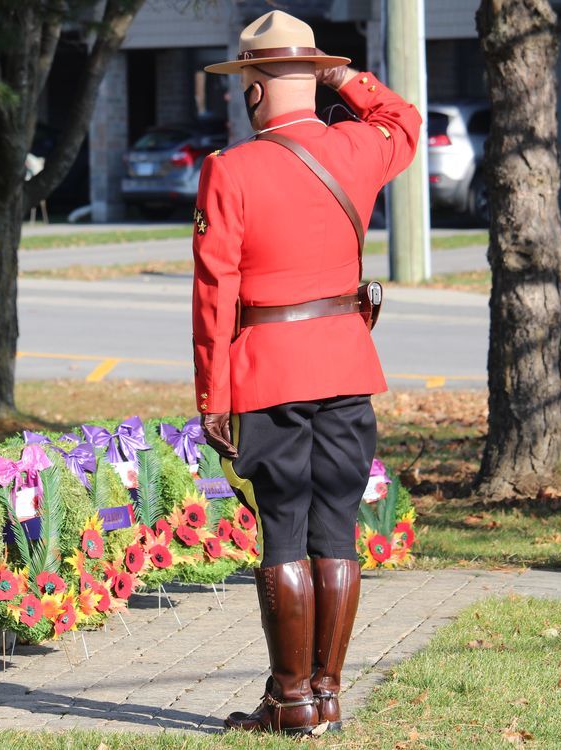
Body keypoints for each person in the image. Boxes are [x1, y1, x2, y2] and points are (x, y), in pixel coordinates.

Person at [192, 10, 421, 735]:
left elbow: (214, 295)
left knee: (284, 529)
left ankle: (290, 702)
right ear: (312, 76)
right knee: (338, 528)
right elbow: (403, 118)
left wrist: (214, 398)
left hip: (269, 373)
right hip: (347, 364)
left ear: (255, 88)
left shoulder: (230, 169)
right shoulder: (361, 148)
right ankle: (325, 694)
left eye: (248, 81)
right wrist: (344, 76)